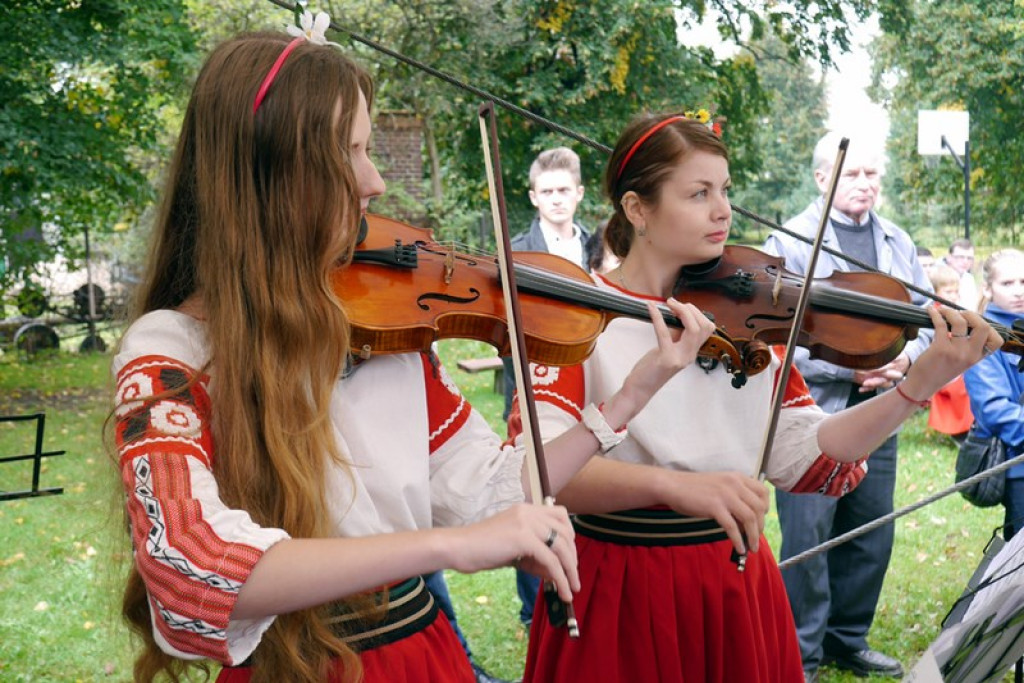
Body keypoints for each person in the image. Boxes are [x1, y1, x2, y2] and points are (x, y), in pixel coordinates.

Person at [110, 22, 710, 683]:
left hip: (422, 656)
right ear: (269, 173)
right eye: (350, 151)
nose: (373, 181)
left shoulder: (383, 333)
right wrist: (448, 546)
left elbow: (491, 490)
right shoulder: (170, 351)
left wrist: (627, 398)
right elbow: (187, 559)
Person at [510, 113, 999, 683]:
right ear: (637, 209)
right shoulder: (573, 314)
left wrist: (920, 383)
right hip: (616, 581)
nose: (724, 211)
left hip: (732, 577)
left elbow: (812, 455)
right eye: (699, 194)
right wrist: (674, 486)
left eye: (725, 191)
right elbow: (538, 471)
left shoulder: (746, 319)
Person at [762, 131, 937, 681]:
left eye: (871, 175)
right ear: (822, 178)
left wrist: (904, 362)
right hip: (813, 411)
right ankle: (801, 652)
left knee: (871, 527)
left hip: (883, 404)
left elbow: (931, 315)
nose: (864, 184)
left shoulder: (898, 241)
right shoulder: (788, 241)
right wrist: (847, 367)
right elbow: (771, 334)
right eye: (852, 174)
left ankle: (846, 638)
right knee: (809, 535)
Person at [502, 146, 591, 630]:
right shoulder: (517, 251)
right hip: (531, 391)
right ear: (534, 197)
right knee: (532, 497)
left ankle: (578, 584)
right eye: (547, 192)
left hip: (585, 388)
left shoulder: (601, 249)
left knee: (582, 491)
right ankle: (532, 605)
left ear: (578, 193)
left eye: (564, 191)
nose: (556, 200)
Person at [964, 249, 1024, 539]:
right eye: (1008, 283)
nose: (1018, 291)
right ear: (987, 288)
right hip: (1019, 468)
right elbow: (994, 409)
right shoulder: (982, 336)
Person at [927, 263, 973, 442]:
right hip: (944, 364)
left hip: (955, 362)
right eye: (948, 292)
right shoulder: (936, 312)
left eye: (956, 291)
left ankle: (960, 428)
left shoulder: (953, 311)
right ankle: (958, 431)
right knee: (956, 394)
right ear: (935, 291)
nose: (953, 296)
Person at [945, 238, 980, 311]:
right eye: (960, 257)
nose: (965, 261)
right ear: (949, 257)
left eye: (969, 258)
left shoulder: (969, 278)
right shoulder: (938, 277)